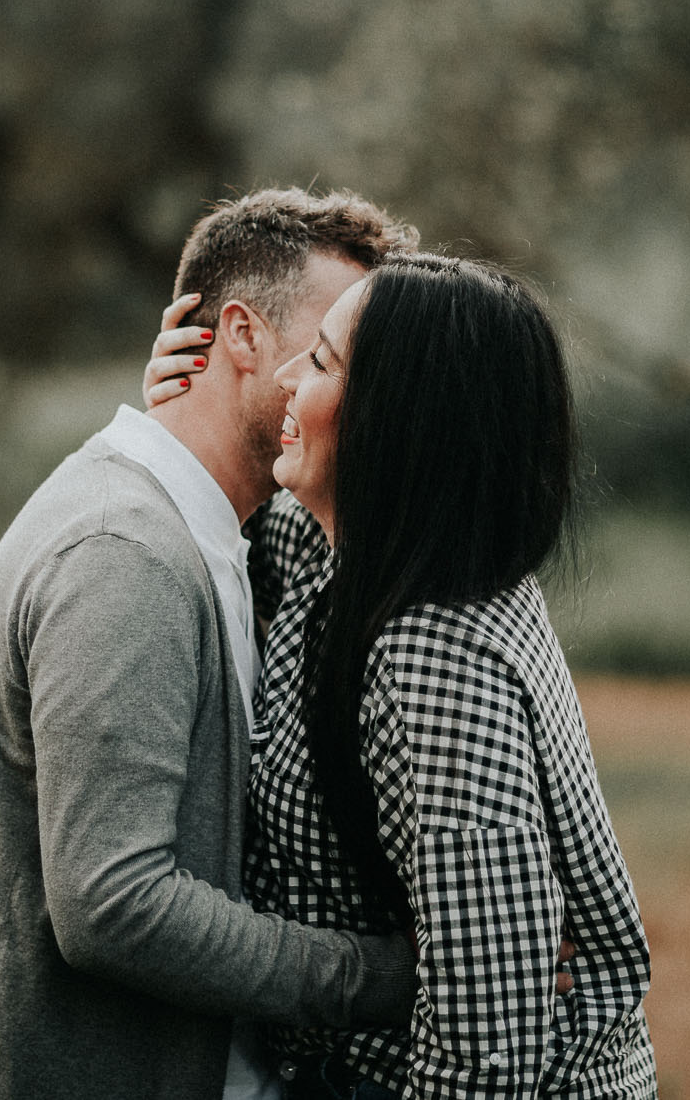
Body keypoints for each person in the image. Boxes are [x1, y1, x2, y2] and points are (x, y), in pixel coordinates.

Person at [0, 189, 424, 1100]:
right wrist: (389, 977)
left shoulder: (218, 533)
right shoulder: (127, 557)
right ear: (241, 335)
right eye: (326, 352)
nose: (353, 391)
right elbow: (113, 903)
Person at [145, 253, 657, 1099]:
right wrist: (181, 412)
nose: (284, 375)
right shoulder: (349, 551)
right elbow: (241, 525)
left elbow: (482, 1048)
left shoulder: (437, 661)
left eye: (318, 361)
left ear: (394, 418)